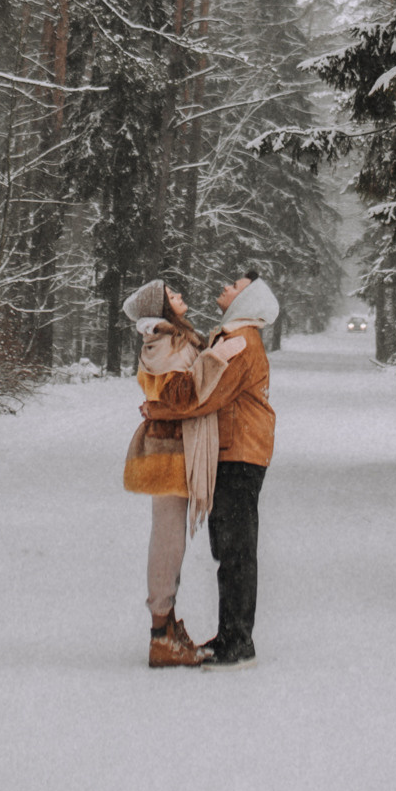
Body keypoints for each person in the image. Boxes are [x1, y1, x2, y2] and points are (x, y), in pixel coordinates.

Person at [141, 265, 278, 669]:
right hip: (235, 452)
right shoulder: (232, 338)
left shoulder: (238, 342)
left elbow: (204, 394)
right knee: (229, 547)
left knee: (235, 551)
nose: (225, 286)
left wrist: (158, 408)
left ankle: (238, 644)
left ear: (245, 300)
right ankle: (231, 636)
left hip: (240, 454)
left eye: (234, 286)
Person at [121, 278, 247, 669]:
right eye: (172, 296)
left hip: (174, 448)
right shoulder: (166, 344)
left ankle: (168, 626)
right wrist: (220, 354)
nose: (181, 298)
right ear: (161, 309)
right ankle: (161, 633)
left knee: (170, 540)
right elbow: (181, 396)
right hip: (169, 452)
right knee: (168, 541)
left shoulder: (175, 339)